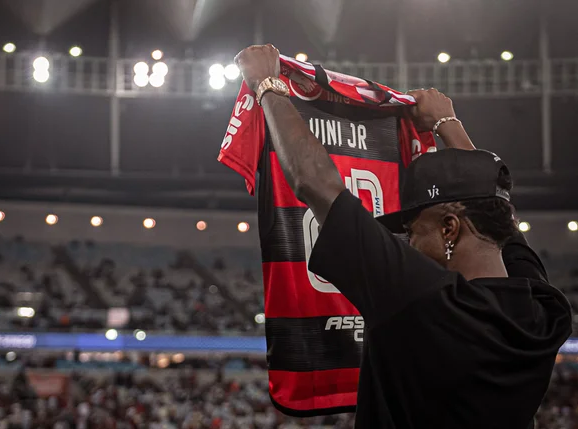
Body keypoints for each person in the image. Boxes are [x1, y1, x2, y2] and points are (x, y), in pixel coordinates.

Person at [234, 44, 573, 429]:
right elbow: (499, 218)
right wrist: (447, 122)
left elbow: (316, 184)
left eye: (414, 230)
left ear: (449, 228)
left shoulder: (421, 300)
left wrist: (267, 86)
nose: (408, 241)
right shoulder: (545, 308)